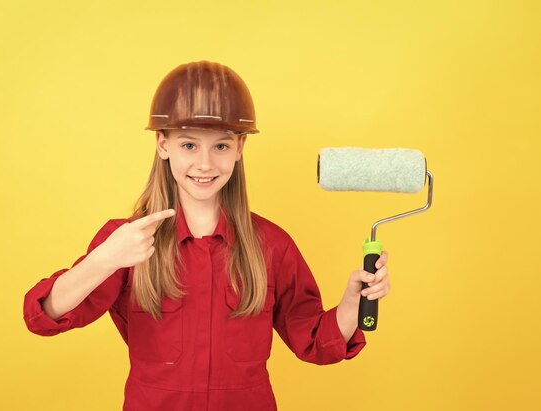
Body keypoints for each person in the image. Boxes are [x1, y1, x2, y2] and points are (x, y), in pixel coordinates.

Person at [23, 60, 391, 411]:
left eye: (220, 146)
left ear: (240, 148)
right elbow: (43, 316)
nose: (204, 164)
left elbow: (315, 342)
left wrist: (351, 303)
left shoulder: (271, 245)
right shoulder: (128, 241)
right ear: (163, 145)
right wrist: (104, 260)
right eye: (188, 145)